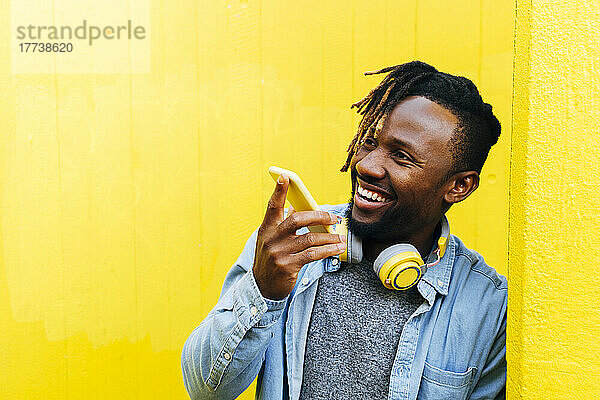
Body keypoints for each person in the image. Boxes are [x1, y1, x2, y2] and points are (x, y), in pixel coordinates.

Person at [181, 61, 507, 400]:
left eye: (401, 156)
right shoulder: (288, 245)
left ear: (459, 186)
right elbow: (205, 391)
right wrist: (262, 290)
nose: (365, 164)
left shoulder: (488, 306)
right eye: (369, 141)